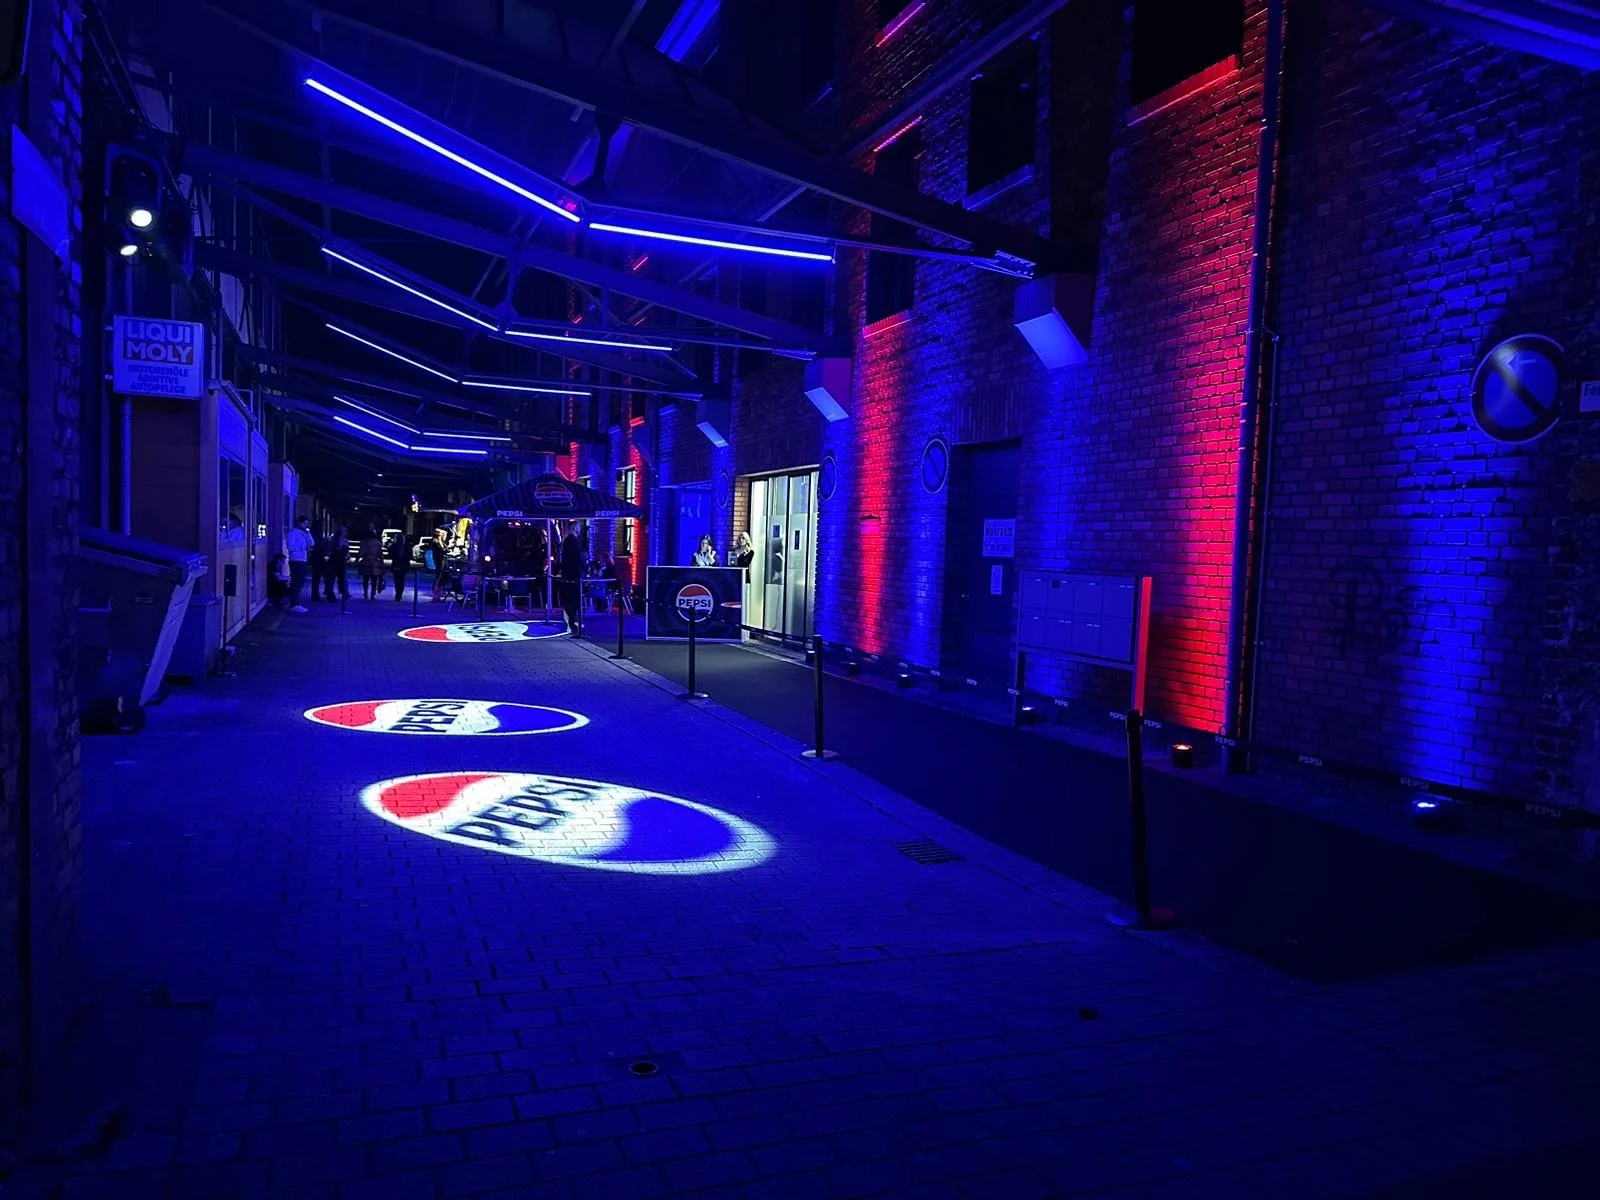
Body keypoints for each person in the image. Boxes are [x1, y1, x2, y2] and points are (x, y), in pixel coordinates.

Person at [558, 523, 585, 634]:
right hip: (572, 576)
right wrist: (584, 567)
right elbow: (576, 558)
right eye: (578, 528)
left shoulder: (567, 541)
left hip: (567, 575)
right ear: (574, 528)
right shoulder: (572, 540)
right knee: (573, 601)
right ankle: (571, 623)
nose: (579, 531)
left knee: (569, 601)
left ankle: (571, 622)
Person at [286, 516, 314, 613]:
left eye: (307, 524)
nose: (306, 526)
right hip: (296, 559)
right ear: (299, 523)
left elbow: (312, 543)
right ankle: (293, 603)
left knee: (300, 582)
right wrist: (304, 547)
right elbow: (291, 546)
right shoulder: (292, 533)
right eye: (304, 523)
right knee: (297, 582)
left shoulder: (304, 533)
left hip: (303, 559)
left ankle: (295, 602)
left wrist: (308, 534)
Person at [325, 524, 350, 602]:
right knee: (336, 578)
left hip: (337, 561)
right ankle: (337, 593)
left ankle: (337, 593)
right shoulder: (340, 540)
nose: (346, 532)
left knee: (334, 578)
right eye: (344, 531)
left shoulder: (333, 539)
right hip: (337, 561)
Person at [358, 525, 384, 600]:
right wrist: (382, 562)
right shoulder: (378, 543)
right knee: (374, 580)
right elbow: (380, 554)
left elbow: (361, 552)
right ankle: (373, 594)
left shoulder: (363, 542)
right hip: (375, 563)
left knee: (365, 579)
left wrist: (357, 560)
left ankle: (365, 593)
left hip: (366, 562)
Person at [390, 529, 411, 601]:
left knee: (399, 580)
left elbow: (409, 556)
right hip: (398, 565)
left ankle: (399, 593)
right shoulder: (396, 546)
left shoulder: (405, 546)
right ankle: (398, 593)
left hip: (402, 565)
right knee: (399, 580)